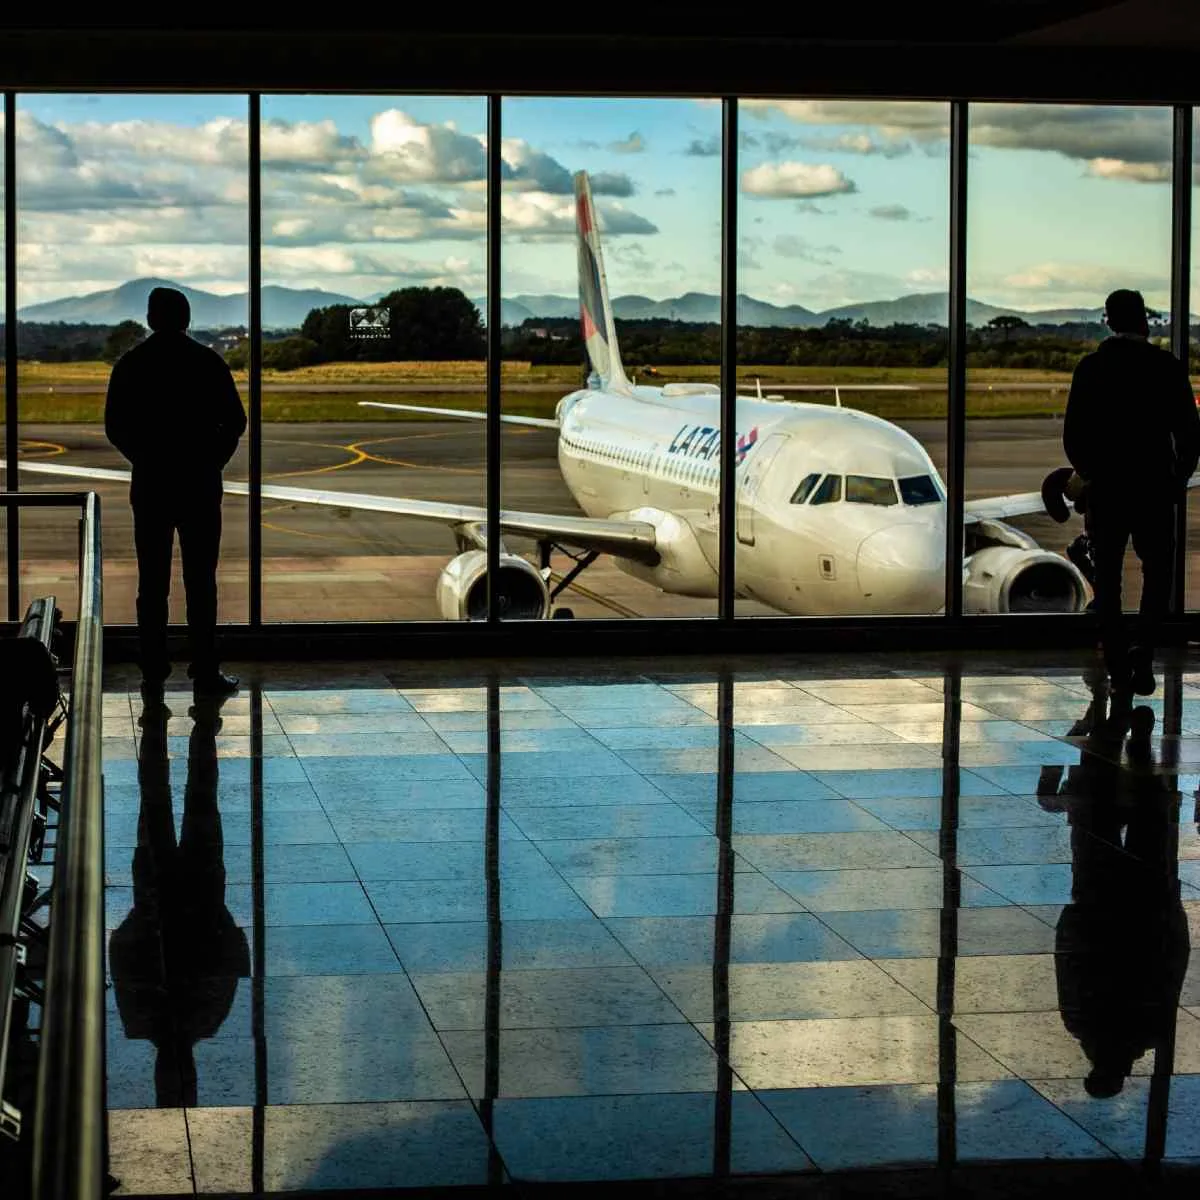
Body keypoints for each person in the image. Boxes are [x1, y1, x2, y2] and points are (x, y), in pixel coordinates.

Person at [105, 287, 246, 695]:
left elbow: (116, 427)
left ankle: (152, 668)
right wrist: (211, 460)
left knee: (152, 583)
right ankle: (204, 669)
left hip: (151, 484)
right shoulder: (207, 362)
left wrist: (145, 458)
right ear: (186, 318)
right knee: (202, 581)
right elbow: (235, 422)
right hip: (200, 484)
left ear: (151, 319)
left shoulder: (131, 365)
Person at [1063, 288, 1200, 697]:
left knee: (1107, 579)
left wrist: (1091, 474)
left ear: (1108, 321)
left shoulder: (1091, 368)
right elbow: (1190, 434)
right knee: (1157, 573)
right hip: (1154, 487)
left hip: (1107, 489)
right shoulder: (1166, 367)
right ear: (1145, 320)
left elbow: (1073, 436)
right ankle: (1144, 648)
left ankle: (1117, 658)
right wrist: (1177, 480)